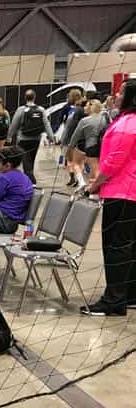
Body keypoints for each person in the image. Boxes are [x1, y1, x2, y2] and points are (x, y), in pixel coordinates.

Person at [82, 79, 136, 317]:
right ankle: (128, 294)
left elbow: (114, 161)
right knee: (128, 247)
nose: (116, 94)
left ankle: (114, 301)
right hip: (128, 193)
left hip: (122, 193)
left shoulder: (127, 124)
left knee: (116, 247)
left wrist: (95, 184)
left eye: (122, 92)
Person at [8, 89, 53, 184]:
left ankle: (32, 182)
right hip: (36, 140)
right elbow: (46, 124)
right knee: (31, 160)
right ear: (34, 97)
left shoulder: (21, 109)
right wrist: (51, 137)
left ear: (25, 98)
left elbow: (14, 124)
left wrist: (9, 136)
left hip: (23, 140)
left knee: (26, 162)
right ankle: (29, 181)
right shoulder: (41, 109)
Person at [68, 99, 106, 188]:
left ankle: (95, 188)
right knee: (95, 169)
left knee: (95, 169)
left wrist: (70, 147)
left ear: (91, 107)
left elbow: (75, 136)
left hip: (91, 147)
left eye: (86, 106)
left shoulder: (84, 121)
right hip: (103, 146)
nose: (84, 107)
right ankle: (93, 189)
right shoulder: (104, 118)